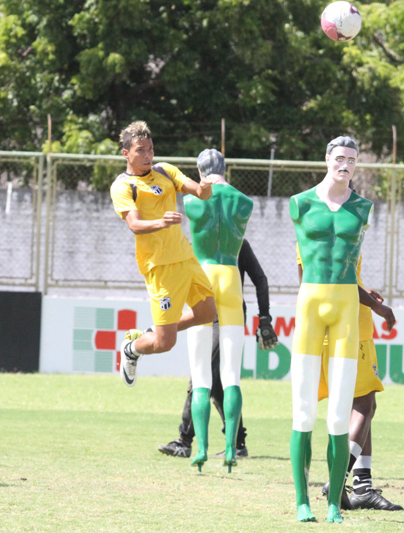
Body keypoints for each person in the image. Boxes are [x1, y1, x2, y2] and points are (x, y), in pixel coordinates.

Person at [289, 136, 373, 524]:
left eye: (352, 160)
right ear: (326, 159)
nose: (346, 165)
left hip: (345, 307)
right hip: (310, 304)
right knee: (303, 413)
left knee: (339, 416)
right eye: (340, 158)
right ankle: (302, 500)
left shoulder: (363, 207)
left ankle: (335, 503)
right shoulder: (300, 203)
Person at [109, 121, 217, 388]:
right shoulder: (123, 186)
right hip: (159, 266)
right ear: (126, 153)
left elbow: (200, 193)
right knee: (165, 343)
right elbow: (134, 225)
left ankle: (149, 332)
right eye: (141, 150)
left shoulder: (165, 171)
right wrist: (162, 222)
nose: (148, 155)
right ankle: (132, 349)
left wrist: (205, 186)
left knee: (206, 313)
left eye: (150, 149)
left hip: (185, 257)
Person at [299, 251, 404, 512]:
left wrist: (363, 293)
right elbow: (342, 279)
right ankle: (339, 478)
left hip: (321, 325)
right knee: (365, 405)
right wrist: (376, 305)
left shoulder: (308, 229)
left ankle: (363, 488)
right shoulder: (343, 225)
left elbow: (321, 279)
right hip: (351, 330)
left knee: (355, 408)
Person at [158, 239, 278, 460]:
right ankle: (229, 441)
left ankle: (190, 441)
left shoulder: (237, 241)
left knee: (206, 378)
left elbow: (260, 279)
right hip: (203, 314)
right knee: (207, 378)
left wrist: (264, 319)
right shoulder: (197, 241)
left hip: (228, 316)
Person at [182, 148, 254, 471]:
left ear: (199, 172)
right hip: (231, 276)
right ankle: (230, 449)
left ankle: (200, 448)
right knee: (231, 375)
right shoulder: (243, 201)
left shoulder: (192, 200)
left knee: (200, 375)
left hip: (203, 276)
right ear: (226, 167)